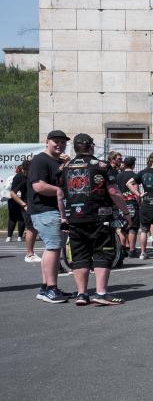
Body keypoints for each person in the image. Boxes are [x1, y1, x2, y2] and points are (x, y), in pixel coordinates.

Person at [61, 134, 132, 306]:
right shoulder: (102, 166)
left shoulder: (65, 167)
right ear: (91, 147)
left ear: (75, 148)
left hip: (74, 218)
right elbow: (114, 192)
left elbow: (59, 194)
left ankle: (82, 294)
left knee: (80, 255)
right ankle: (100, 293)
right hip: (99, 217)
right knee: (103, 252)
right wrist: (126, 212)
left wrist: (63, 216)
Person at [29, 130, 70, 303]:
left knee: (51, 248)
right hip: (45, 210)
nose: (60, 145)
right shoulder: (40, 160)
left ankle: (46, 288)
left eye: (63, 142)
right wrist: (57, 190)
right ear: (47, 142)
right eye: (56, 142)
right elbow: (38, 186)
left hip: (50, 210)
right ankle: (51, 289)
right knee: (53, 248)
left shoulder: (56, 161)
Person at [115, 156, 140, 256]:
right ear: (133, 165)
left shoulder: (118, 176)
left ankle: (122, 249)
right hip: (131, 203)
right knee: (132, 227)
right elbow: (136, 190)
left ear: (124, 164)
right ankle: (132, 250)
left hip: (121, 203)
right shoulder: (134, 175)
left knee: (122, 227)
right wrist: (139, 202)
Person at [7, 159, 29, 243]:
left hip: (14, 200)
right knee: (18, 218)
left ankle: (11, 237)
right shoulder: (18, 177)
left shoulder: (11, 177)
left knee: (14, 218)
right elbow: (12, 192)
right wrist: (24, 204)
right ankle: (18, 236)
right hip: (17, 200)